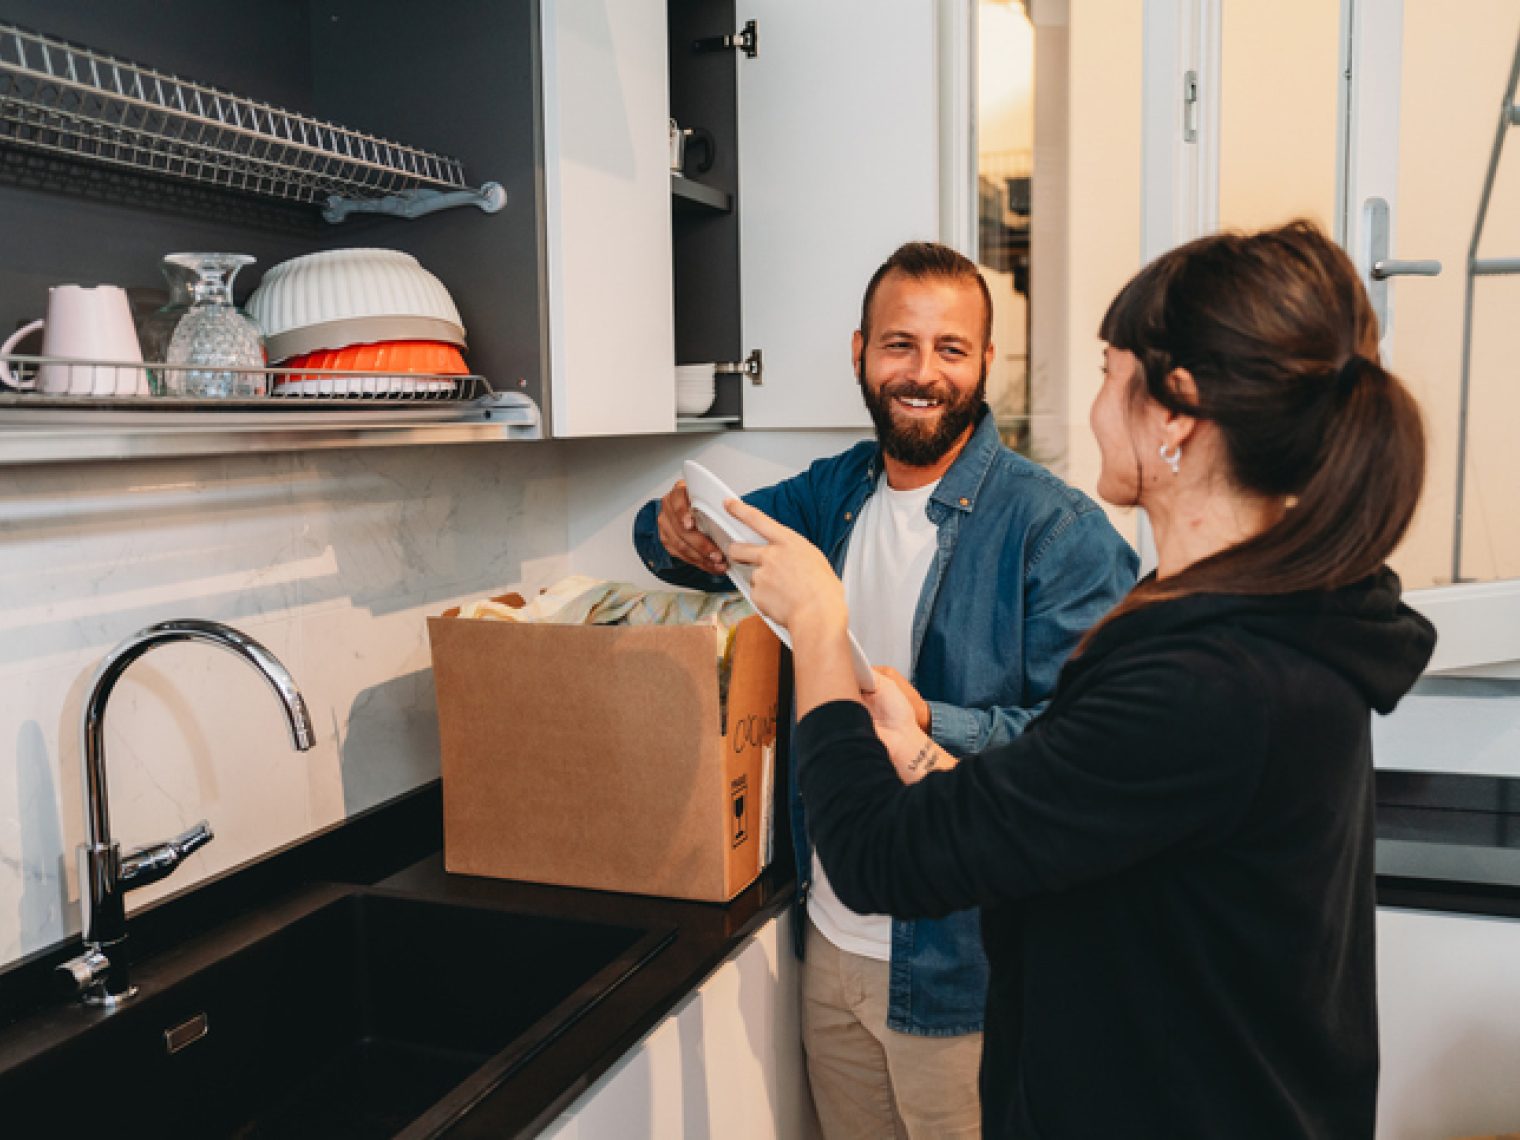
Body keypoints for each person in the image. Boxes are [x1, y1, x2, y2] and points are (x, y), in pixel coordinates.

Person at [725, 220, 1436, 1138]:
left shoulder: (1210, 679)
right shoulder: (1261, 624)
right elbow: (1100, 818)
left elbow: (877, 857)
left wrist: (819, 624)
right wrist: (933, 759)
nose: (1095, 406)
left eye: (1107, 372)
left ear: (1173, 411)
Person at [633, 241, 1137, 1137]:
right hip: (830, 942)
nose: (923, 373)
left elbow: (1087, 757)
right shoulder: (837, 492)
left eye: (951, 349)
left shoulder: (1057, 531)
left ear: (987, 364)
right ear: (860, 352)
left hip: (968, 968)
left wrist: (931, 721)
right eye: (900, 345)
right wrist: (673, 526)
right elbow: (706, 541)